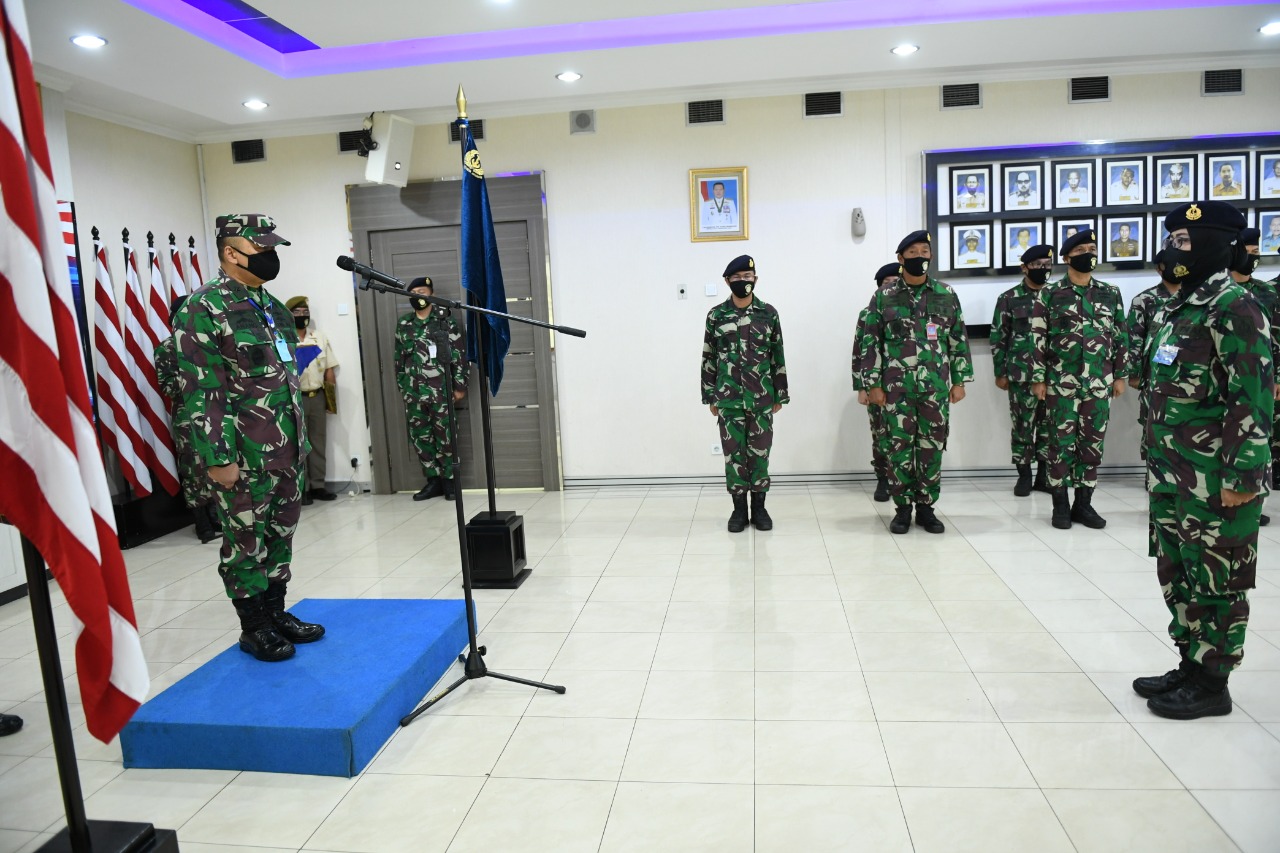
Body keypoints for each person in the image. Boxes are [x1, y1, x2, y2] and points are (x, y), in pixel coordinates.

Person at [1136, 201, 1272, 719]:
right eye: (1173, 240)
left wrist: (1244, 474)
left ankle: (1213, 681)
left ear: (1217, 243)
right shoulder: (1181, 306)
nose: (1175, 250)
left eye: (1186, 242)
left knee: (1217, 577)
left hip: (1217, 477)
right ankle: (1191, 662)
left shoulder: (1235, 306)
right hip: (1174, 473)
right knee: (1179, 572)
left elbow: (1252, 397)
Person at [173, 213, 323, 663]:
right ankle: (253, 626)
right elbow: (201, 394)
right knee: (245, 542)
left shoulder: (273, 308)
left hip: (287, 448)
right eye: (260, 250)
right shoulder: (203, 309)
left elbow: (285, 377)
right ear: (230, 253)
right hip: (242, 454)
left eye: (272, 248)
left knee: (280, 534)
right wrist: (218, 458)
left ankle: (276, 612)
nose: (270, 257)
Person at [861, 231, 973, 534]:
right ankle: (902, 509)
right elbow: (871, 343)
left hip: (934, 388)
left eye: (925, 251)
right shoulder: (884, 297)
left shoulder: (946, 294)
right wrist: (873, 384)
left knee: (931, 447)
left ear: (931, 257)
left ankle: (926, 508)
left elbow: (957, 340)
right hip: (896, 389)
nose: (920, 257)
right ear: (901, 259)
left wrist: (959, 380)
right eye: (913, 253)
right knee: (898, 449)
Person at [1030, 229, 1128, 530]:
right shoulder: (1050, 294)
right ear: (1067, 258)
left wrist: (1120, 374)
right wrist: (1038, 378)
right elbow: (1038, 338)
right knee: (1060, 446)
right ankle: (1060, 506)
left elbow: (1120, 336)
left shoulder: (1110, 293)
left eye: (1093, 248)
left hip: (1099, 384)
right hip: (1062, 384)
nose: (1089, 253)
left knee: (1091, 447)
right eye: (1082, 249)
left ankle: (1083, 505)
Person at [702, 255, 788, 532]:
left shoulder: (768, 313)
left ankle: (760, 509)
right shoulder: (716, 315)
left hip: (762, 398)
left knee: (760, 453)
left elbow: (777, 355)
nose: (743, 282)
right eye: (737, 278)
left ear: (755, 280)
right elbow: (708, 357)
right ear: (727, 281)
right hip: (728, 398)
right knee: (734, 455)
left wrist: (780, 394)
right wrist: (710, 395)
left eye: (748, 278)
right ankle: (739, 510)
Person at [395, 277, 467, 501]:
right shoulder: (404, 324)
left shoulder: (445, 321)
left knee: (446, 437)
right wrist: (403, 386)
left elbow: (459, 356)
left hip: (441, 391)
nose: (419, 295)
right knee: (420, 438)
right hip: (414, 393)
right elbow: (399, 360)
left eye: (422, 291)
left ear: (431, 293)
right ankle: (433, 481)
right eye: (414, 292)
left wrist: (460, 385)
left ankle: (450, 482)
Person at [991, 245, 1055, 496]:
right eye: (1037, 265)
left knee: (1050, 427)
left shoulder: (1057, 296)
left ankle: (1044, 476)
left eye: (1047, 265)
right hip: (1021, 374)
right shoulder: (1009, 298)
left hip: (1053, 375)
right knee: (1023, 426)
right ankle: (1024, 475)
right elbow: (999, 336)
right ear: (1024, 267)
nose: (1043, 269)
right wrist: (1000, 371)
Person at [155, 295, 219, 543]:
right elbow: (168, 387)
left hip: (213, 413)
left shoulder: (205, 345)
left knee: (215, 462)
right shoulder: (167, 349)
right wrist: (192, 378)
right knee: (193, 469)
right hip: (186, 418)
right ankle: (201, 523)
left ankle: (215, 516)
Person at [1228, 228, 1280, 520]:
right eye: (1248, 253)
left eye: (1257, 253)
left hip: (1262, 378)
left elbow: (1277, 339)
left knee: (1260, 438)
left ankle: (1255, 498)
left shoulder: (1268, 292)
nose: (1253, 258)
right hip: (1231, 378)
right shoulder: (1218, 292)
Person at [1125, 250, 1180, 461]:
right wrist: (1134, 373)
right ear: (1159, 268)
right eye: (1171, 263)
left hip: (1188, 373)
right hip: (1154, 374)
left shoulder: (1194, 297)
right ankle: (1154, 471)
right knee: (1152, 421)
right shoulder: (1145, 300)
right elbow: (1134, 338)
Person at [852, 262, 900, 502]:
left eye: (896, 281)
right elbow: (860, 351)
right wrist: (861, 386)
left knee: (904, 438)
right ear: (879, 287)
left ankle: (902, 481)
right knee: (881, 435)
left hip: (906, 385)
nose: (892, 286)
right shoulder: (868, 313)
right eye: (887, 282)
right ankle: (883, 479)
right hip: (877, 385)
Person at [286, 296, 339, 505]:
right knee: (297, 445)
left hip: (316, 396)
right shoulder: (283, 339)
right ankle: (302, 488)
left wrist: (331, 402)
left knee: (317, 442)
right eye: (297, 313)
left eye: (304, 312)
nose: (302, 316)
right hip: (294, 399)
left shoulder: (319, 338)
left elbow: (329, 371)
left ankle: (318, 485)